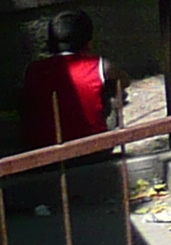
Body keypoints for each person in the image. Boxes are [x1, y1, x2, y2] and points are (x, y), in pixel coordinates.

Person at [18, 9, 121, 153]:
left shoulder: (33, 70)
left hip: (42, 154)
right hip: (93, 149)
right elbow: (124, 81)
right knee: (113, 90)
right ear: (89, 42)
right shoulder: (99, 65)